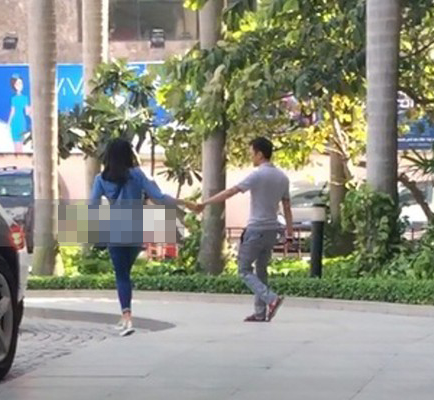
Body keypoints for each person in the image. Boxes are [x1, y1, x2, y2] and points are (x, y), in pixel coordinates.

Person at [90, 138, 197, 336]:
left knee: (121, 275)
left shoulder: (100, 179)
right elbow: (159, 197)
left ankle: (127, 317)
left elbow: (92, 206)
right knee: (126, 274)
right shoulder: (137, 175)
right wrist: (185, 203)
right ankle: (125, 316)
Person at [196, 137, 293, 322]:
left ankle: (271, 299)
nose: (251, 157)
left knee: (244, 269)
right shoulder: (282, 177)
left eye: (252, 153)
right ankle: (260, 313)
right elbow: (287, 207)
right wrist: (289, 233)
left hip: (256, 229)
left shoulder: (257, 175)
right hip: (273, 230)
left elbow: (231, 191)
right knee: (261, 270)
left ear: (260, 154)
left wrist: (205, 203)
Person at [8, 75, 31, 153]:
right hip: (14, 122)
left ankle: (20, 160)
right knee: (15, 145)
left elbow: (27, 112)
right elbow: (12, 111)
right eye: (17, 84)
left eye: (20, 83)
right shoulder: (13, 99)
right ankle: (16, 160)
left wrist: (32, 114)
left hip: (21, 122)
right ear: (14, 86)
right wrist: (9, 123)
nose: (19, 85)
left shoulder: (25, 98)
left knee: (20, 145)